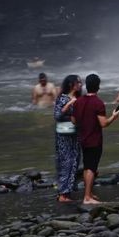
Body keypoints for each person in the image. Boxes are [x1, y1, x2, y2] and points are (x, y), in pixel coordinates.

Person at [72, 73, 119, 205]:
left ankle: (89, 193)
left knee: (88, 166)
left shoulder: (78, 101)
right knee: (91, 168)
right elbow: (103, 123)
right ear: (98, 87)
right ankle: (87, 197)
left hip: (82, 139)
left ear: (87, 86)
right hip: (94, 140)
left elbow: (73, 121)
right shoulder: (98, 103)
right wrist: (114, 117)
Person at [54, 74, 82, 203]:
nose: (81, 85)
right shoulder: (63, 98)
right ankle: (62, 194)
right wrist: (70, 104)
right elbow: (57, 116)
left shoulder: (79, 98)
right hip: (64, 136)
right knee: (66, 162)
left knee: (75, 162)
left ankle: (68, 192)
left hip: (75, 135)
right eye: (79, 83)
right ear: (72, 84)